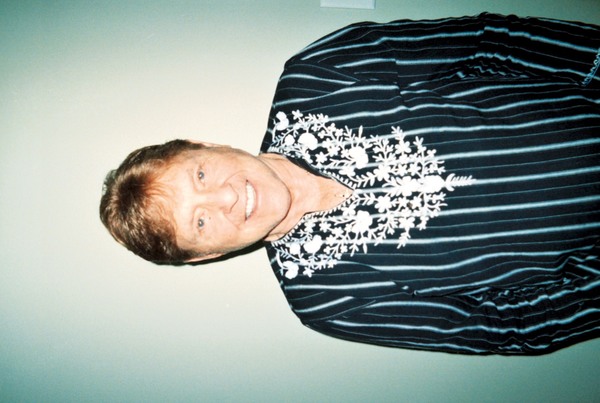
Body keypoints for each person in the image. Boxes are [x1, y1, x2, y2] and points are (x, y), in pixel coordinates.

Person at [100, 13, 600, 354]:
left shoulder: (319, 74)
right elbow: (503, 327)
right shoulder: (326, 301)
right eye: (201, 222)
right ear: (207, 255)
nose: (226, 197)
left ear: (203, 144)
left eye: (201, 175)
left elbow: (490, 42)